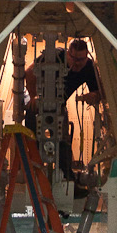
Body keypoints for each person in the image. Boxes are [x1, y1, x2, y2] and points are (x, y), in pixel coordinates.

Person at [24, 39, 101, 181]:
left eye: (81, 59)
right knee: (31, 132)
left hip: (59, 105)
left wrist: (94, 96)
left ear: (86, 57)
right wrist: (34, 94)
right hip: (39, 101)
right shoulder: (55, 55)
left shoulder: (88, 67)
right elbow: (29, 72)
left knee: (63, 140)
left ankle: (68, 178)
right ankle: (33, 171)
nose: (77, 63)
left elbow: (97, 91)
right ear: (67, 54)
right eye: (74, 58)